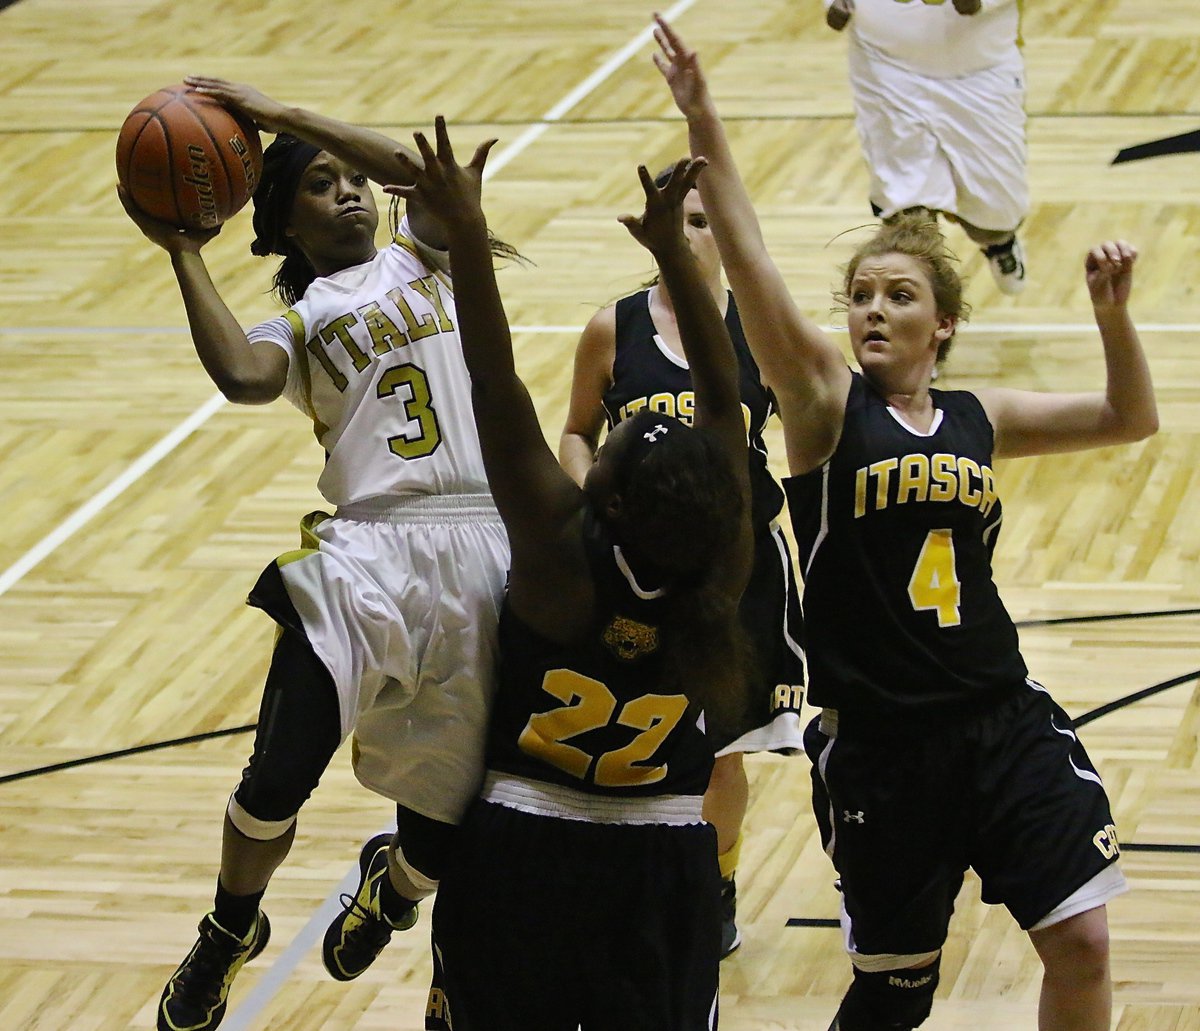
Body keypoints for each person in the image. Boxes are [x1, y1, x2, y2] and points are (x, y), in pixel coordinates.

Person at [652, 14, 1157, 1031]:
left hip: (1002, 716)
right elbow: (750, 267)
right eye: (859, 296)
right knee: (895, 993)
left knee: (1084, 943)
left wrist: (1112, 316)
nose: (872, 310)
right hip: (883, 745)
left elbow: (1127, 417)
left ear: (945, 323)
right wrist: (702, 115)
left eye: (898, 295)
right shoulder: (826, 407)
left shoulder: (980, 415)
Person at [121, 79, 517, 1031]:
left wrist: (280, 115)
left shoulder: (428, 256)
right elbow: (240, 376)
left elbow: (421, 173)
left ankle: (394, 888)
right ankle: (229, 926)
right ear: (282, 224)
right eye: (318, 185)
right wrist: (184, 252)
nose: (348, 193)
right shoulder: (298, 325)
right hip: (365, 551)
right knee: (276, 774)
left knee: (447, 824)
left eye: (352, 182)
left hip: (483, 544)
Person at [389, 120, 753, 1031]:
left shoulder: (560, 561)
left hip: (525, 843)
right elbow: (726, 401)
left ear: (609, 497)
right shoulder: (723, 566)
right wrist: (677, 257)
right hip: (663, 852)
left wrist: (468, 235)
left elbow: (494, 380)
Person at [558, 168, 805, 958]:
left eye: (706, 221)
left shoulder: (760, 329)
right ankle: (624, 882)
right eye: (683, 220)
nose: (694, 234)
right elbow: (576, 431)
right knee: (630, 737)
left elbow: (811, 425)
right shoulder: (613, 327)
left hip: (734, 572)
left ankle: (716, 885)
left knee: (719, 751)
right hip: (633, 571)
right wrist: (589, 500)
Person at [823, 0, 1030, 295]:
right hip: (886, 66)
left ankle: (999, 243)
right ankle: (915, 304)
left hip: (981, 69)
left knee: (993, 215)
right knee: (906, 215)